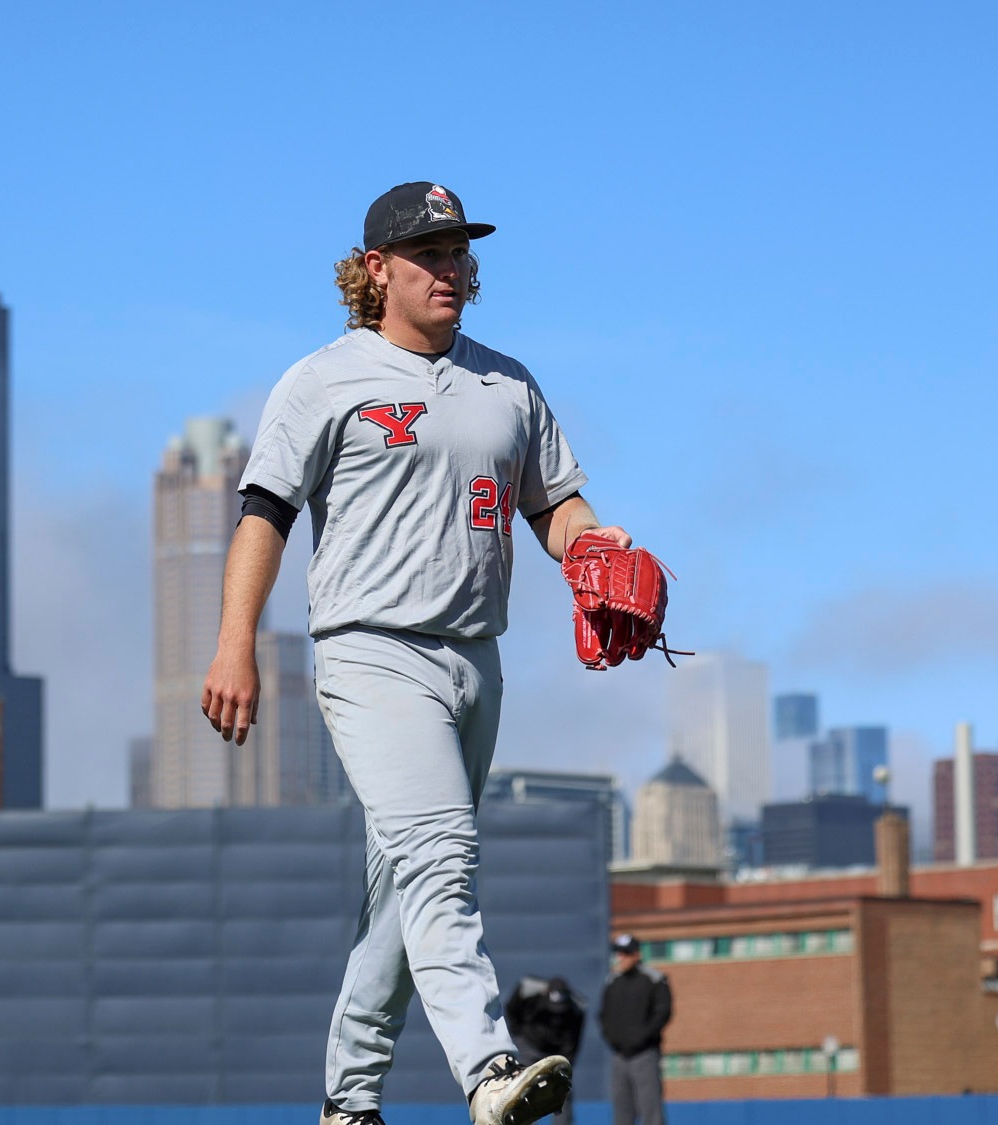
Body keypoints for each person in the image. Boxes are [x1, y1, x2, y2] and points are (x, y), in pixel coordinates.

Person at [202, 181, 634, 1125]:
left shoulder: (507, 381)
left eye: (459, 250)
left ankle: (348, 1104)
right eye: (429, 252)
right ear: (375, 271)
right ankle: (487, 1070)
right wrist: (236, 642)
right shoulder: (324, 378)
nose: (451, 267)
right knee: (442, 856)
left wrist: (595, 551)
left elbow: (554, 504)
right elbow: (265, 511)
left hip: (476, 660)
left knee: (404, 893)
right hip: (371, 650)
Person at [600, 935, 671, 1125]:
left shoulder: (654, 979)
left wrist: (643, 1038)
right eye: (618, 953)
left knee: (651, 1112)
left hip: (645, 1054)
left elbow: (663, 1013)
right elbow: (604, 1016)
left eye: (625, 953)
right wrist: (614, 1040)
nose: (621, 958)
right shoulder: (613, 981)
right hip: (619, 1056)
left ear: (637, 954)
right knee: (622, 1114)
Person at [504, 976, 586, 1124]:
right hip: (529, 1046)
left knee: (563, 1092)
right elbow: (511, 1009)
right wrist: (517, 1034)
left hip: (556, 1053)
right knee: (522, 1089)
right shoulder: (530, 997)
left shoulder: (576, 1008)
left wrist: (566, 1063)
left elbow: (574, 1040)